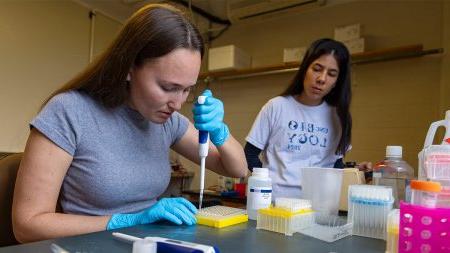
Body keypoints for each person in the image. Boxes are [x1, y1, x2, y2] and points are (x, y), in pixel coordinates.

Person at [12, 4, 247, 243]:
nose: (177, 103)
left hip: (149, 244)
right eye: (168, 87)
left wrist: (219, 130)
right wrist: (128, 220)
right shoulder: (70, 112)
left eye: (187, 89)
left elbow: (236, 169)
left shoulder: (168, 121)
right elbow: (27, 225)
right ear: (128, 68)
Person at [245, 38, 371, 199]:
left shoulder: (339, 117)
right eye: (317, 69)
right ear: (305, 69)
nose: (322, 79)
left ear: (337, 82)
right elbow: (249, 154)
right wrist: (266, 184)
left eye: (332, 74)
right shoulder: (276, 106)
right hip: (274, 205)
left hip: (317, 206)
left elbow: (335, 165)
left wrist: (355, 171)